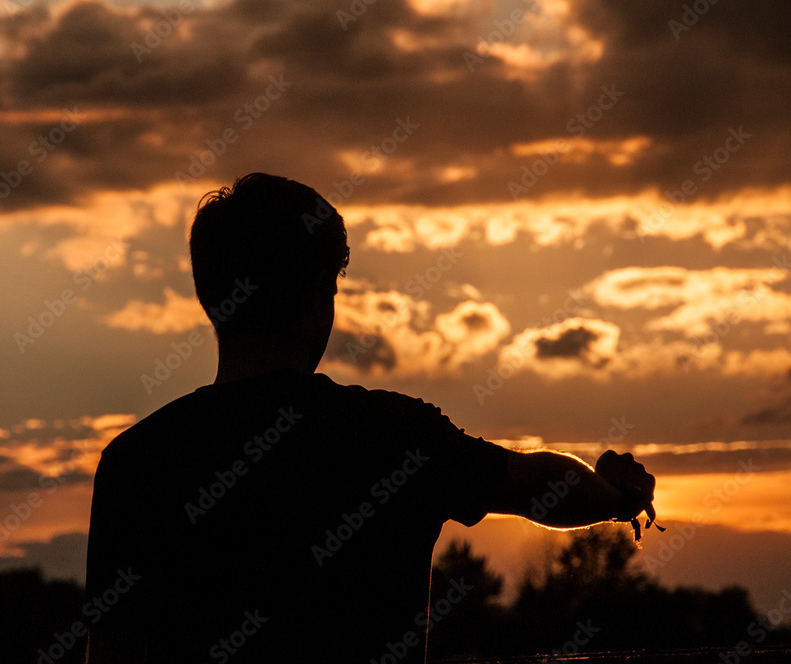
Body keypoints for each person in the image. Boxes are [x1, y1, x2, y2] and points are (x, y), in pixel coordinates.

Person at [84, 173, 658, 664]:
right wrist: (617, 495)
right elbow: (540, 487)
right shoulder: (393, 435)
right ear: (315, 294)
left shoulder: (134, 464)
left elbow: (111, 652)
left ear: (211, 297)